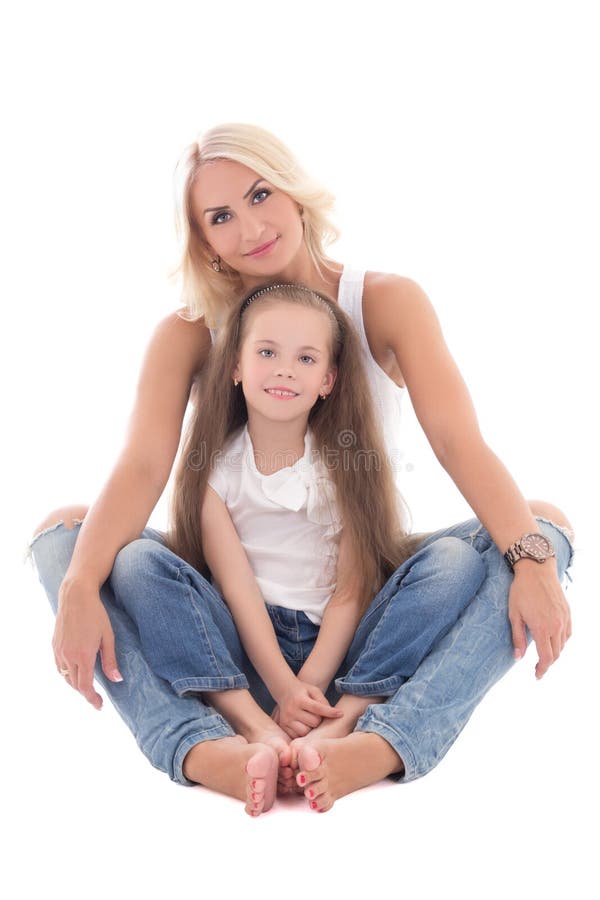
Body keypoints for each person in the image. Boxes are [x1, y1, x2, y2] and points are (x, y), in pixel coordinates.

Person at [30, 122, 575, 812]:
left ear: (295, 192)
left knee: (545, 527)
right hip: (226, 629)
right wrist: (79, 584)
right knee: (62, 538)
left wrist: (530, 562)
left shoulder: (384, 301)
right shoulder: (189, 333)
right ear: (203, 241)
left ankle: (380, 739)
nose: (251, 226)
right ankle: (205, 747)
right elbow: (142, 466)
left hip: (360, 618)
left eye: (261, 194)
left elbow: (457, 443)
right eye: (220, 217)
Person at [109, 281, 487, 815]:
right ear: (236, 366)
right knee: (135, 563)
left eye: (305, 358)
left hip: (338, 651)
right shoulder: (215, 475)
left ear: (328, 380)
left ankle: (344, 720)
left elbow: (351, 591)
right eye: (267, 352)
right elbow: (237, 592)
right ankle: (251, 724)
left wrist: (308, 684)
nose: (285, 369)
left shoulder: (349, 467)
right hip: (243, 647)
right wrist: (280, 691)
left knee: (456, 561)